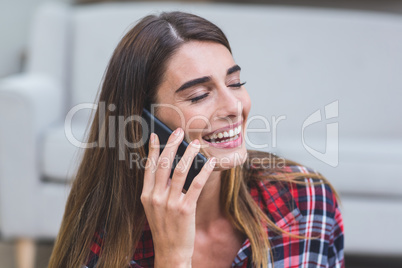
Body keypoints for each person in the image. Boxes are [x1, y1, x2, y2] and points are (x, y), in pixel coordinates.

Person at [48, 11, 344, 268]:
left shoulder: (306, 201)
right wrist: (172, 259)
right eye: (199, 95)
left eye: (235, 83)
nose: (234, 107)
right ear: (142, 123)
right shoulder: (105, 241)